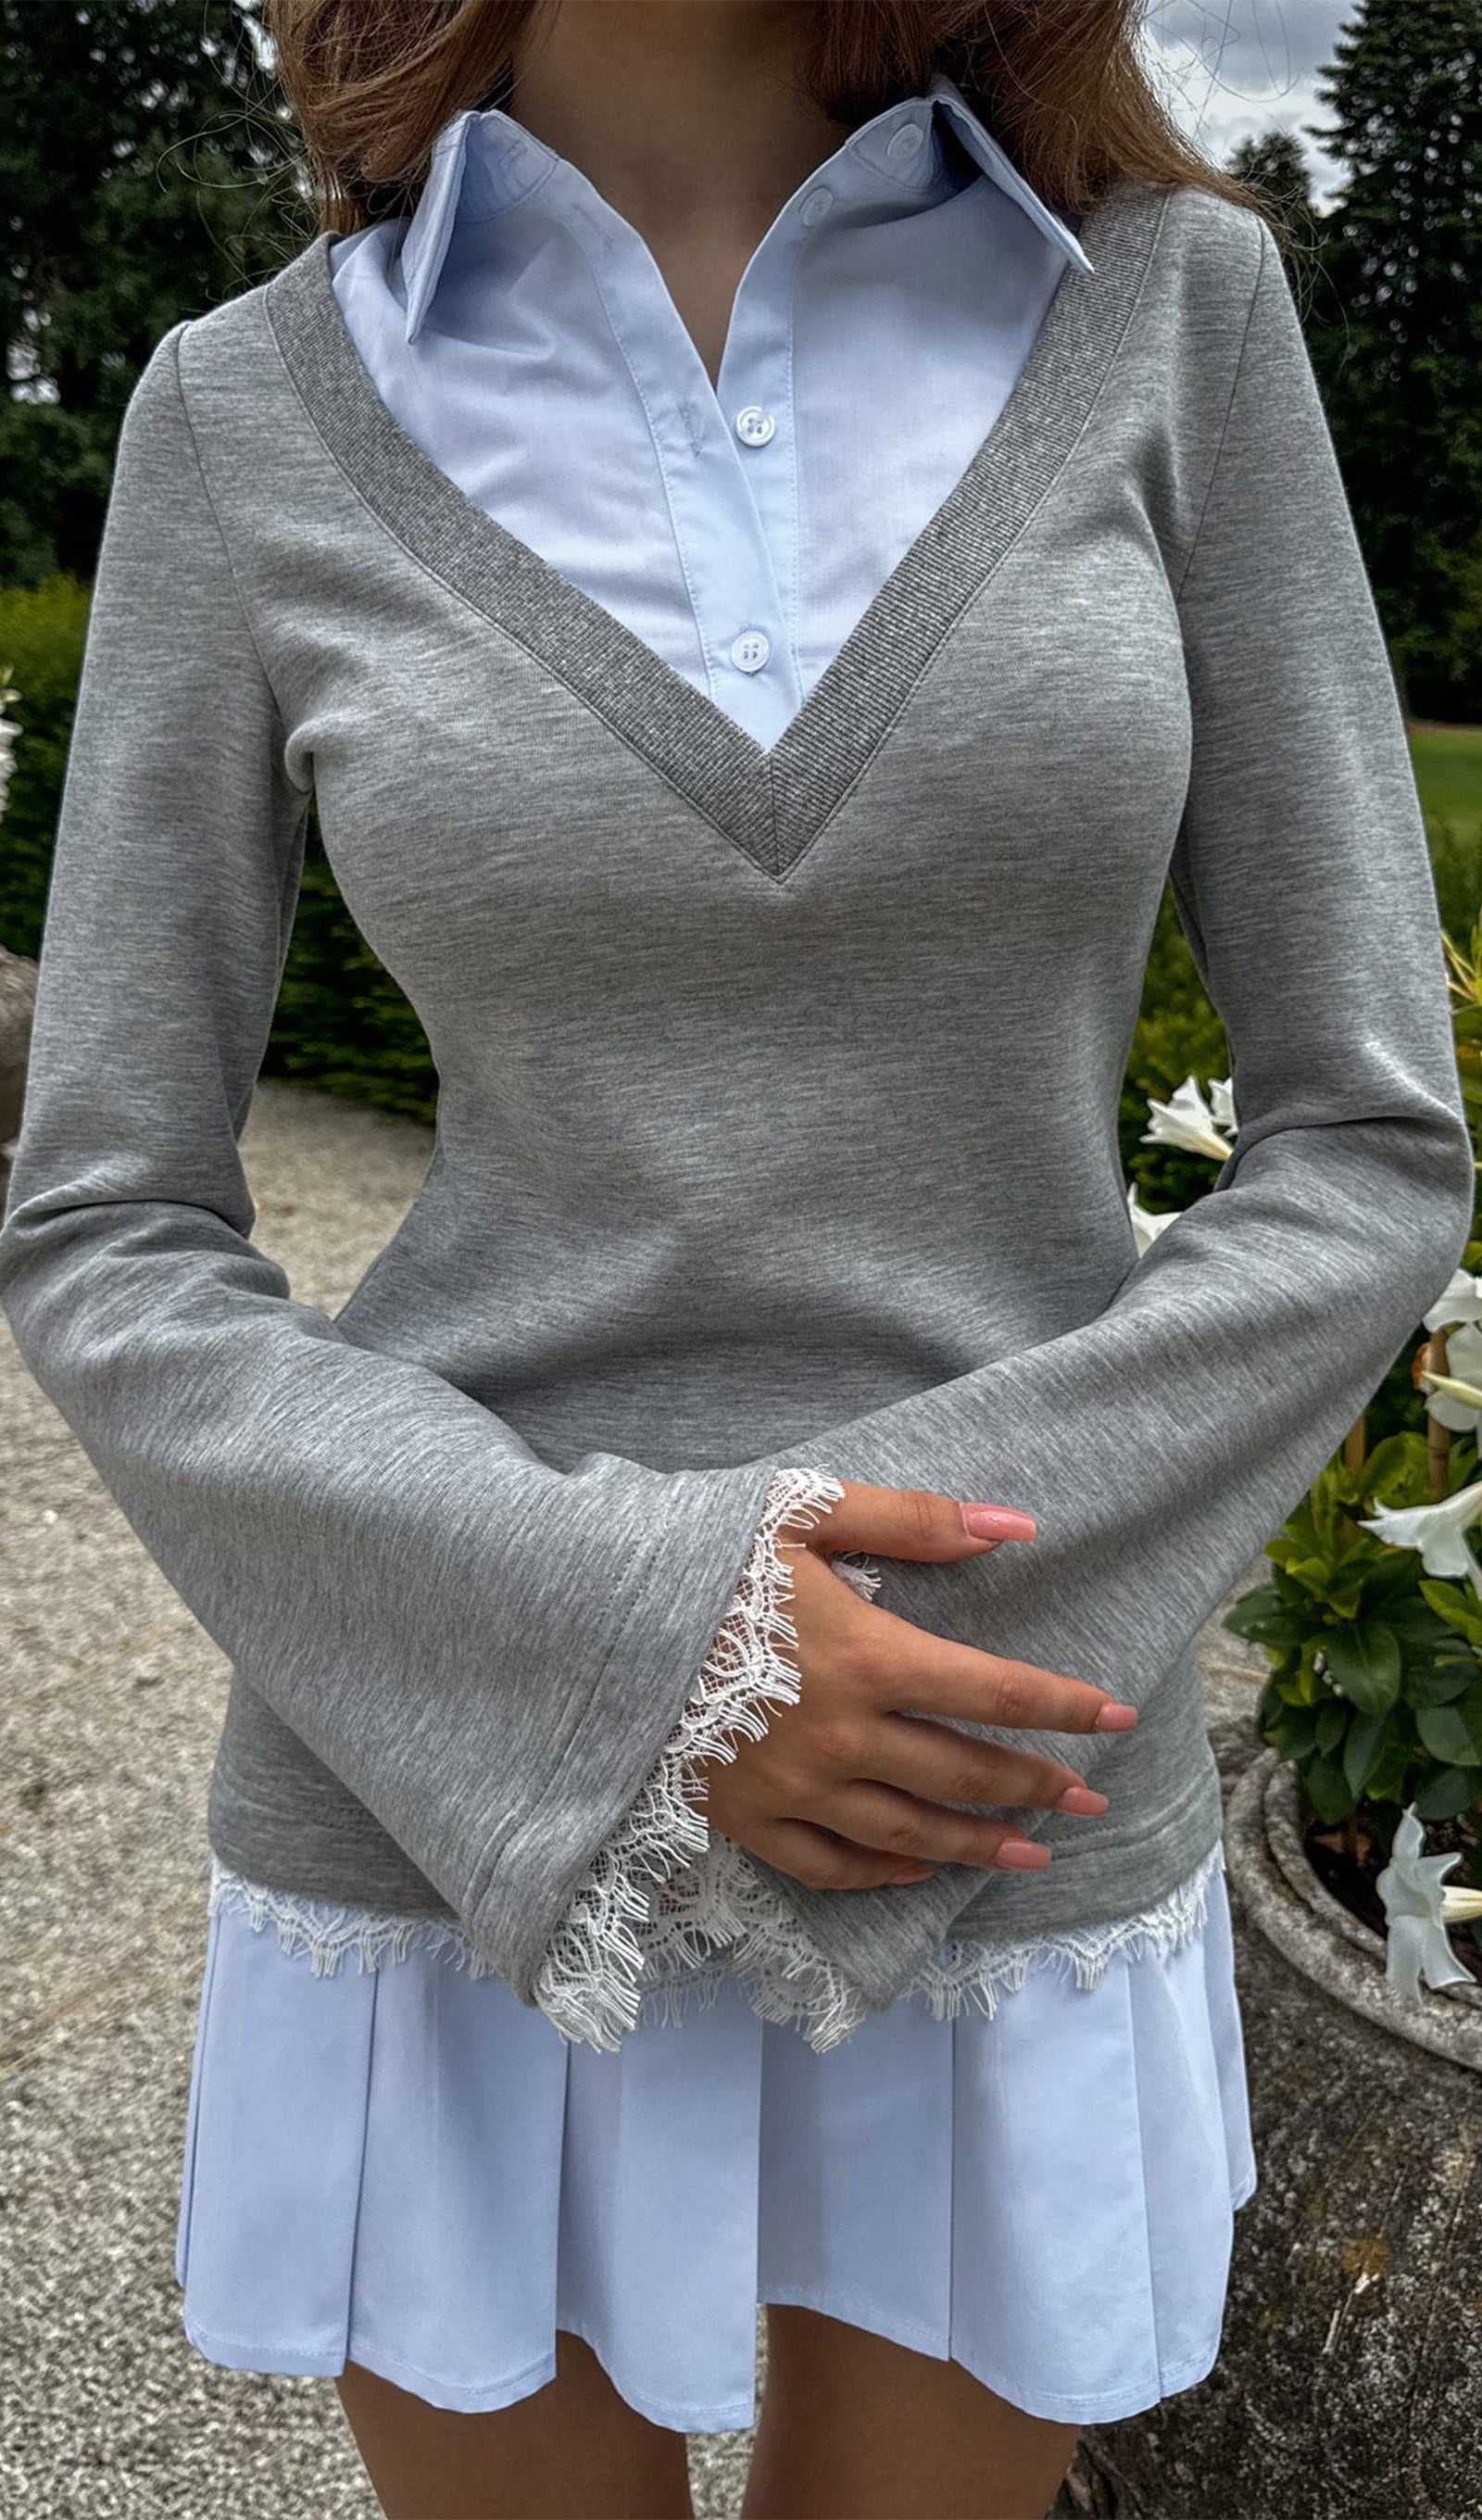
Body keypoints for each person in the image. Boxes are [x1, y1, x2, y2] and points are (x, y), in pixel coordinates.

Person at [0, 2, 1471, 2515]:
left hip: (991, 1783)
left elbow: (1366, 1143)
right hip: (449, 1789)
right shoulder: (241, 411)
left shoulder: (1174, 316)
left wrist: (877, 1641)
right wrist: (651, 1646)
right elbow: (106, 1221)